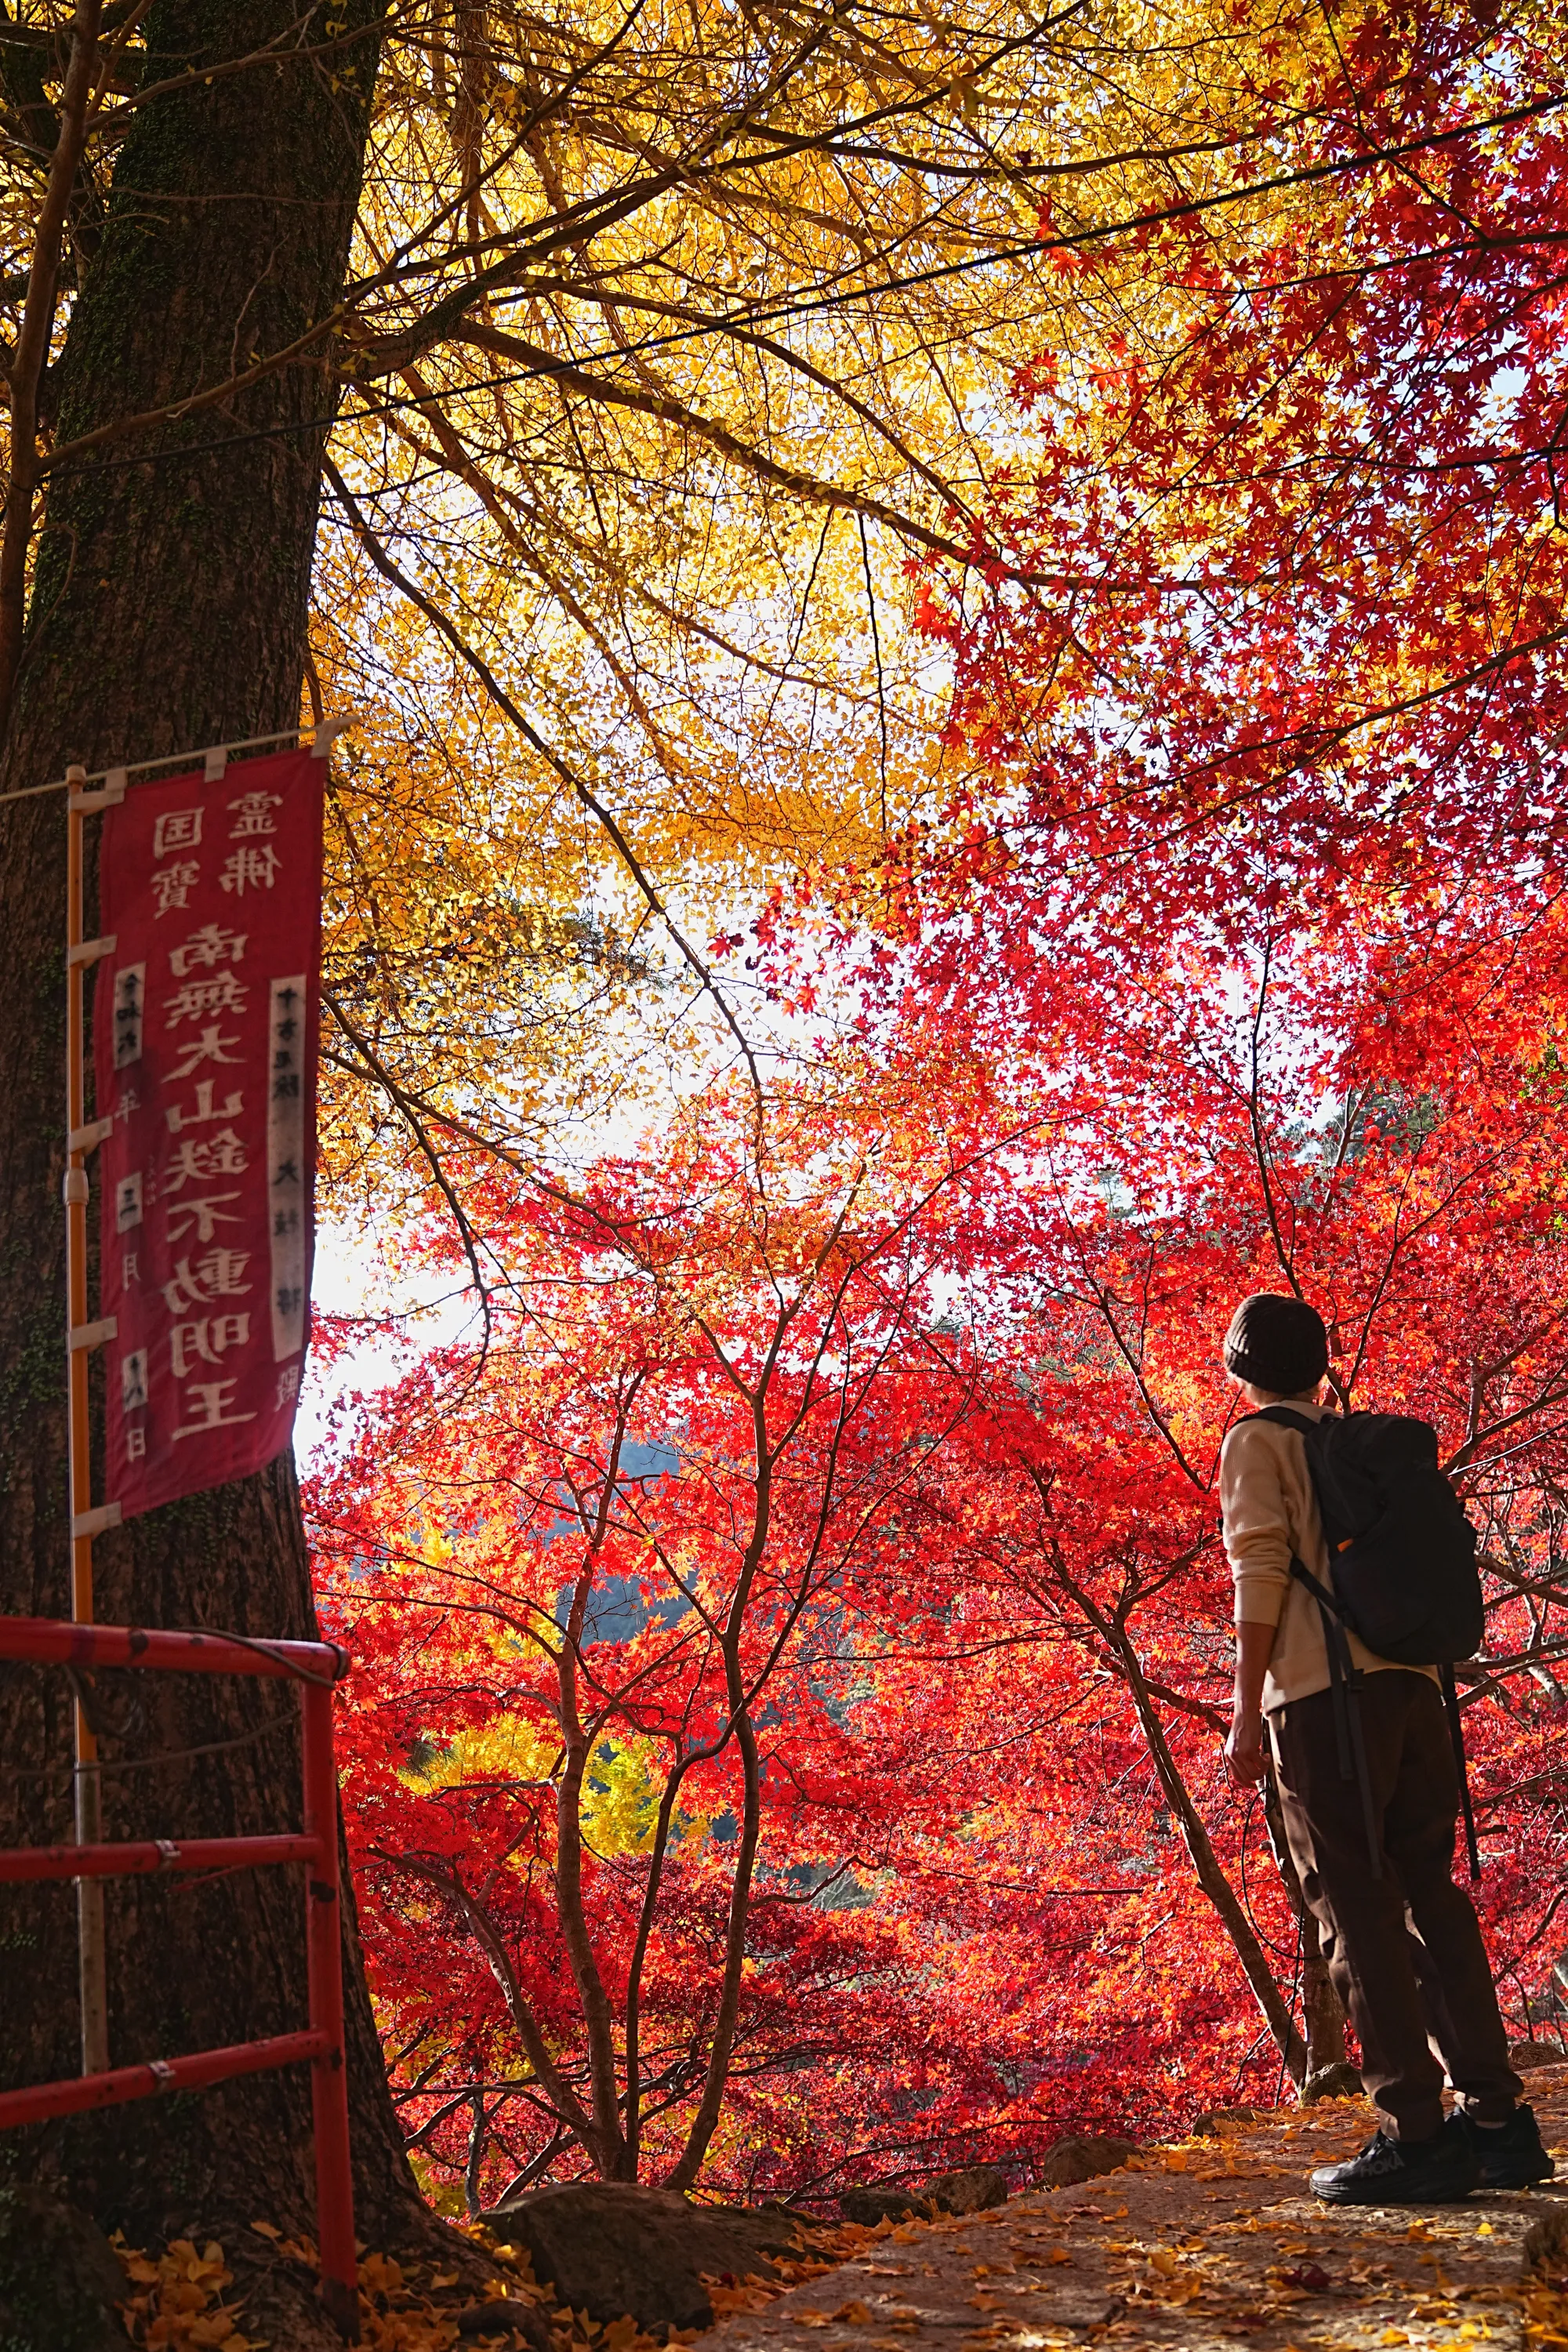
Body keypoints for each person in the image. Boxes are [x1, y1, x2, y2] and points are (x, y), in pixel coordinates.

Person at [1218, 1291, 1552, 2203]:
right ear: (1318, 1366)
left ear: (1237, 1370)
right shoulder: (1356, 1443)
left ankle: (1412, 2133)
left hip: (1324, 1705)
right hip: (1411, 1689)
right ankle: (1495, 2123)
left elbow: (1258, 1568)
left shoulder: (1256, 1443)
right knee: (1429, 1897)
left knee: (1354, 1911)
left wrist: (1245, 1707)